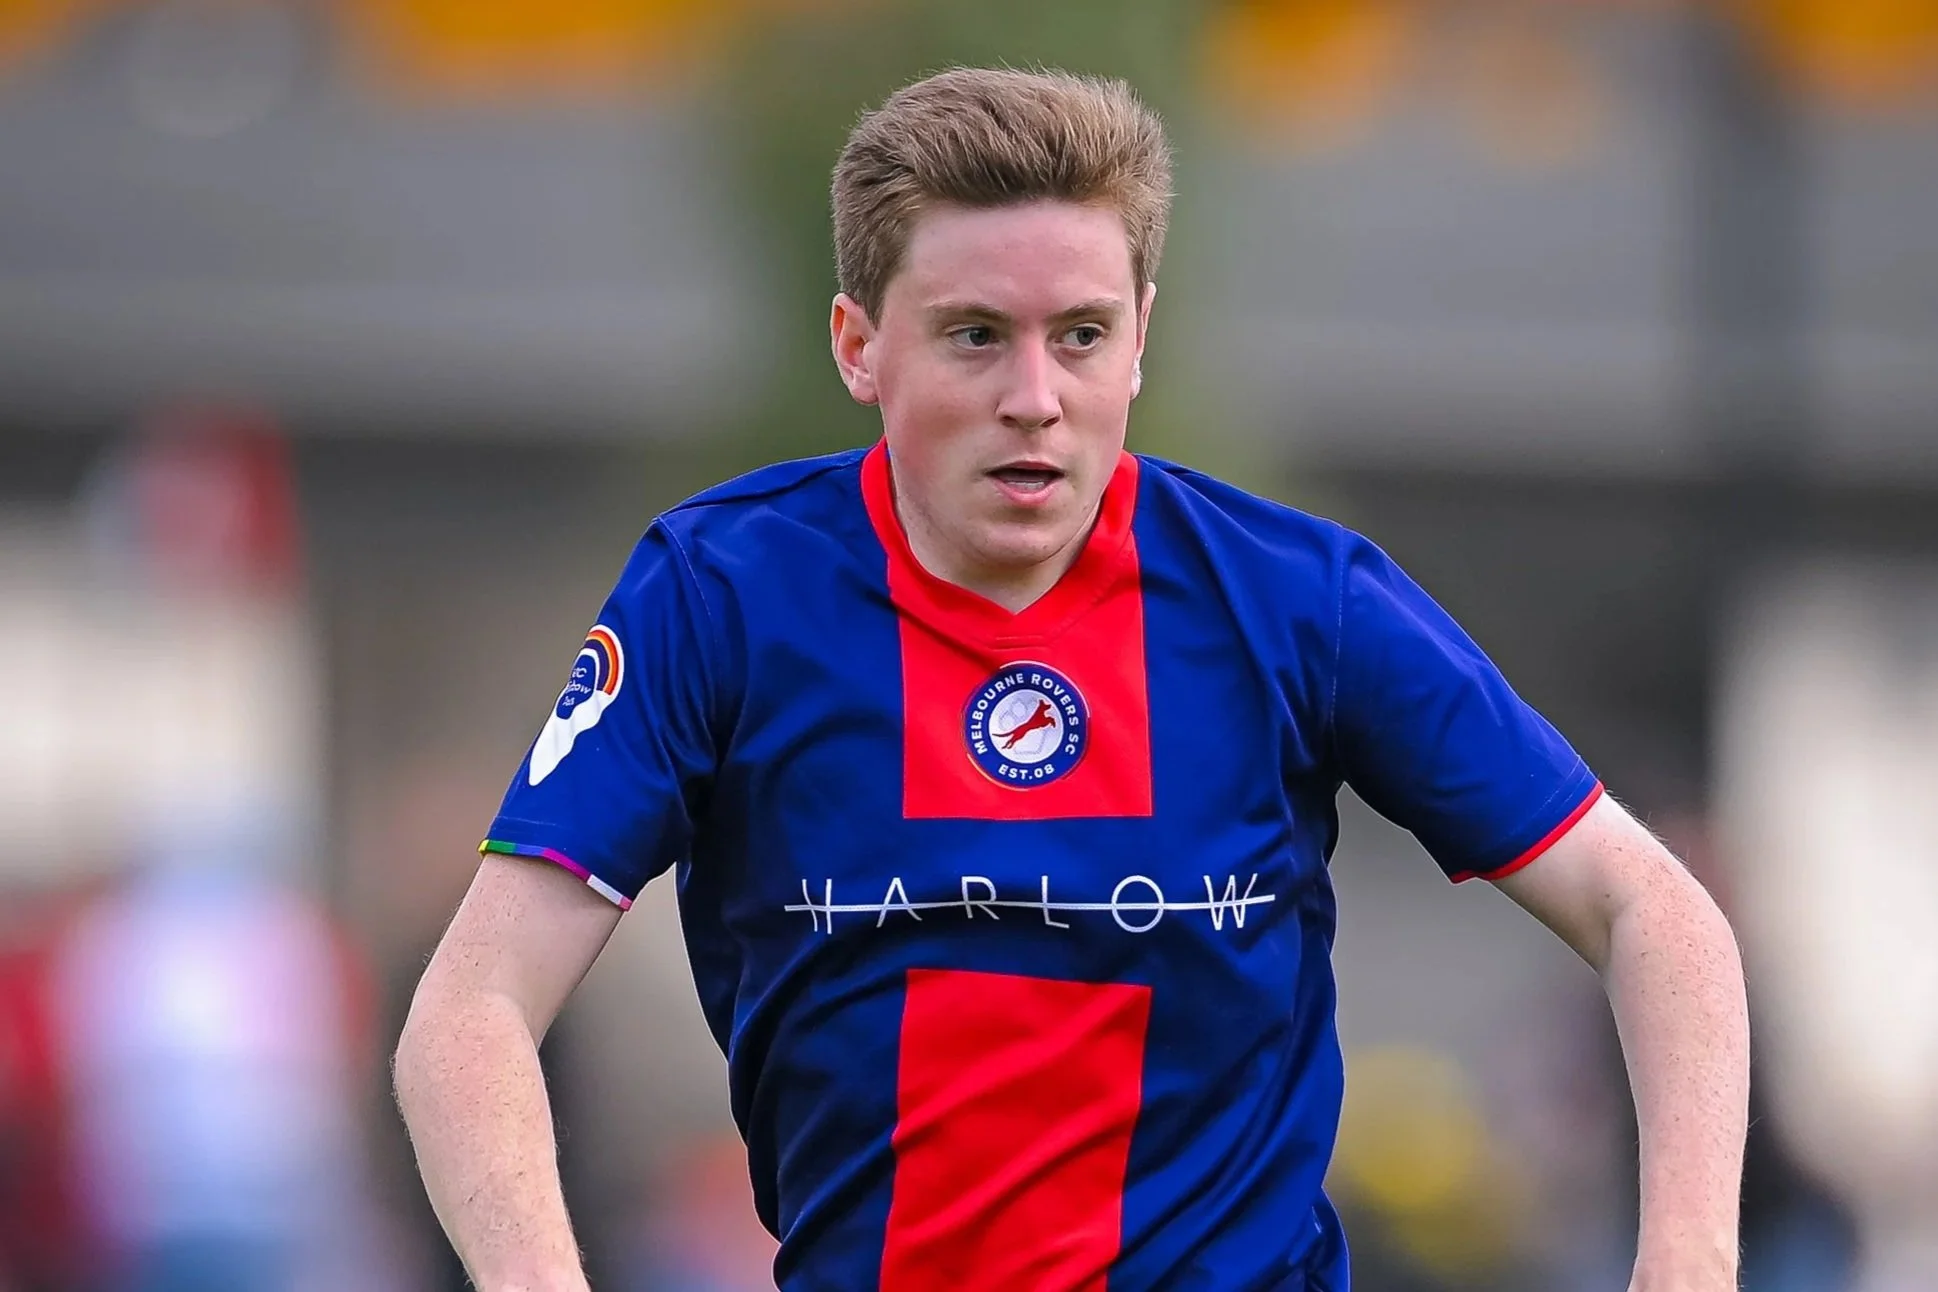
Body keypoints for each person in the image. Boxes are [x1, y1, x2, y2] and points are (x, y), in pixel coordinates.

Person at [394, 67, 1749, 1292]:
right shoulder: (721, 599)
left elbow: (1650, 907)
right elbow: (469, 1011)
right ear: (858, 344)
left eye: (1082, 335)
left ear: (1141, 337)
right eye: (976, 335)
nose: (1035, 395)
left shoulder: (1299, 602)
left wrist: (1686, 1257)